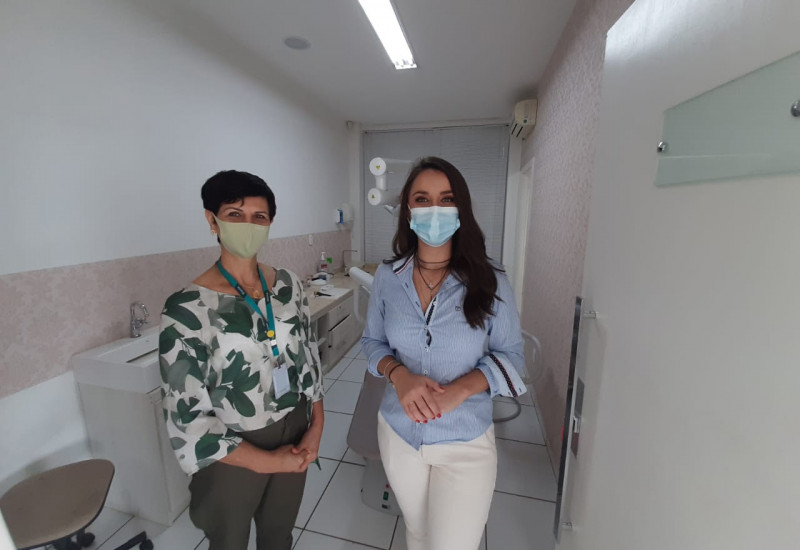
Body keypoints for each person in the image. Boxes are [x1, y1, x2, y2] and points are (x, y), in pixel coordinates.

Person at [361, 157, 527, 550]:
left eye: (446, 199)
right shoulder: (388, 277)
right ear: (408, 210)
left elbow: (513, 357)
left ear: (460, 208)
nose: (434, 210)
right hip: (400, 434)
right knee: (417, 533)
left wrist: (461, 390)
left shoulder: (490, 280)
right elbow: (371, 343)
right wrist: (399, 375)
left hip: (464, 441)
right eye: (422, 199)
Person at [159, 170, 324, 550]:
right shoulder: (186, 309)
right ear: (212, 220)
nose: (248, 225)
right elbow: (186, 415)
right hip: (233, 447)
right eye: (235, 214)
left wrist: (317, 423)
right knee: (229, 540)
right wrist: (270, 462)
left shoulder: (288, 285)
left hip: (296, 427)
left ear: (269, 224)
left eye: (258, 217)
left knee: (278, 534)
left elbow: (308, 355)